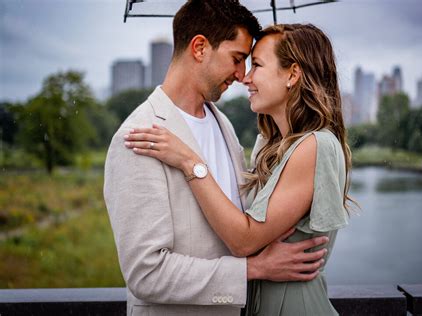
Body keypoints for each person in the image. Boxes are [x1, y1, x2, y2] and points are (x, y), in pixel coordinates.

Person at [104, 1, 328, 315]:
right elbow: (146, 273)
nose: (241, 75)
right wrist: (252, 269)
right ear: (199, 48)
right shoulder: (139, 138)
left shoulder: (224, 125)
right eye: (237, 59)